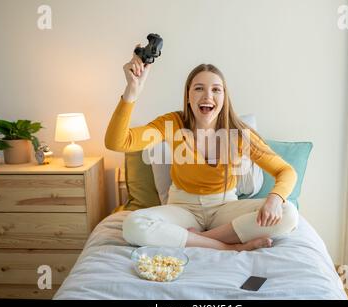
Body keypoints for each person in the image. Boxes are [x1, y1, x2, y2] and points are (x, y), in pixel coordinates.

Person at [105, 45, 299, 252]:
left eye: (216, 89)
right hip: (182, 210)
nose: (208, 96)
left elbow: (285, 171)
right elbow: (118, 142)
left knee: (288, 214)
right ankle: (227, 246)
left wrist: (275, 199)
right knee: (133, 225)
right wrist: (132, 91)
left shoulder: (239, 133)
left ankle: (200, 239)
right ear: (188, 96)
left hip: (225, 210)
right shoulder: (173, 123)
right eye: (199, 88)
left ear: (224, 98)